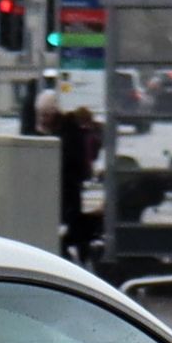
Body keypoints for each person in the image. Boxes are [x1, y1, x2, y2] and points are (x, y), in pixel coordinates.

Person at [58, 105, 102, 261]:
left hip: (67, 184)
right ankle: (78, 252)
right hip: (72, 184)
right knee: (74, 222)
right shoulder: (88, 136)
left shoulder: (67, 132)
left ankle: (71, 250)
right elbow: (90, 158)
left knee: (71, 221)